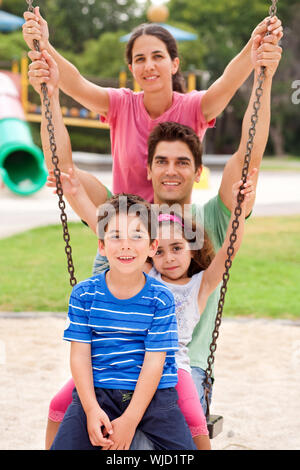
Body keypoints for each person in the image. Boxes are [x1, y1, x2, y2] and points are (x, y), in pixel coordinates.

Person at [26, 14, 282, 449]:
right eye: (161, 161)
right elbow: (65, 172)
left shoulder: (212, 220)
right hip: (112, 371)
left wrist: (263, 75)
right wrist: (48, 83)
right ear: (146, 168)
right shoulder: (127, 230)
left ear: (198, 170)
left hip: (180, 369)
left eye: (183, 161)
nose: (170, 170)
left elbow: (247, 154)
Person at [49, 171, 255, 450]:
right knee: (59, 404)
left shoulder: (196, 286)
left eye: (178, 248)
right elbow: (114, 232)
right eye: (162, 252)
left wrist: (238, 212)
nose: (168, 258)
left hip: (173, 364)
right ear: (153, 253)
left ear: (192, 250)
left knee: (194, 416)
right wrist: (75, 194)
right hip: (111, 375)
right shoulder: (147, 274)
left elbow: (228, 252)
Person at [22, 6, 283, 205]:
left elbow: (227, 82)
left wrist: (255, 46)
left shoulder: (194, 107)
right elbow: (76, 83)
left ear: (174, 64)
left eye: (158, 56)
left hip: (174, 229)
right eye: (140, 59)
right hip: (126, 224)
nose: (148, 66)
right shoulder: (121, 105)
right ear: (131, 68)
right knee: (66, 175)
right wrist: (44, 45)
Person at [50, 194, 197, 450]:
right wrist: (91, 409)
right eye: (116, 236)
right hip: (99, 389)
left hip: (154, 396)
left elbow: (155, 361)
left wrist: (130, 419)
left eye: (137, 236)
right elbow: (79, 356)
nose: (126, 245)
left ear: (152, 246)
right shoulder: (84, 295)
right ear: (102, 246)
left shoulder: (161, 298)